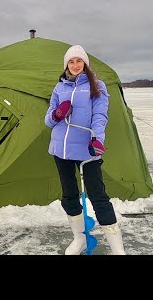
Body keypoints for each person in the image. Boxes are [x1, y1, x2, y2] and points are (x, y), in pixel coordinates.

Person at [44, 44, 126, 255]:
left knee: (99, 197)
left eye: (79, 61)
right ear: (66, 65)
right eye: (71, 61)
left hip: (87, 150)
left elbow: (100, 116)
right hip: (60, 150)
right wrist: (56, 115)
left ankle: (118, 250)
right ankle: (80, 239)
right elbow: (48, 120)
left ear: (85, 63)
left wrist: (97, 139)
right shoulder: (59, 87)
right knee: (69, 196)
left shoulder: (96, 86)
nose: (75, 65)